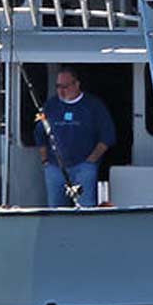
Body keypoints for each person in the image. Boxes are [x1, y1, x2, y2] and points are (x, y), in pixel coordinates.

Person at [40, 67, 114, 208]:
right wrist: (45, 162)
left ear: (77, 84)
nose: (61, 90)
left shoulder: (93, 105)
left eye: (65, 86)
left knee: (85, 208)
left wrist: (90, 162)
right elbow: (40, 134)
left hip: (84, 168)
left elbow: (107, 136)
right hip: (55, 169)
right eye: (58, 86)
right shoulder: (50, 106)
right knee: (55, 209)